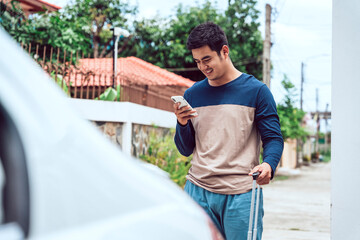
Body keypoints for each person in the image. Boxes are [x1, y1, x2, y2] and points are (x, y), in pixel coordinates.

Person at [173, 22, 284, 240]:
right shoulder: (193, 95)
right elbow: (185, 149)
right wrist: (182, 124)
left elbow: (273, 138)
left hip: (241, 194)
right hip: (198, 191)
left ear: (224, 51)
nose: (203, 67)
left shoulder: (257, 92)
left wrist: (268, 164)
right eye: (197, 61)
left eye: (207, 59)